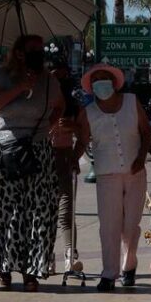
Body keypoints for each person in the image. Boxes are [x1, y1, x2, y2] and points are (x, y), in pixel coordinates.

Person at [0, 35, 64, 292]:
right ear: (19, 52)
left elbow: (59, 106)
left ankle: (30, 270)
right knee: (1, 210)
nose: (38, 53)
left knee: (37, 213)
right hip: (6, 150)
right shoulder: (2, 74)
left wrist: (47, 127)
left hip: (37, 150)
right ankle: (2, 267)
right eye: (33, 49)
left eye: (40, 49)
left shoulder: (49, 79)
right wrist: (21, 86)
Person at [75, 64, 151, 292]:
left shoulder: (131, 101)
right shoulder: (88, 113)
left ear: (114, 82)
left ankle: (129, 266)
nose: (101, 83)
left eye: (104, 78)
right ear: (91, 87)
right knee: (109, 226)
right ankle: (109, 273)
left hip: (135, 172)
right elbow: (81, 141)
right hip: (107, 175)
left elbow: (146, 132)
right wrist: (71, 160)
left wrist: (141, 157)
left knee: (130, 225)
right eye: (96, 79)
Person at [49, 56, 84, 274]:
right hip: (42, 159)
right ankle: (46, 256)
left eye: (62, 76)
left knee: (65, 210)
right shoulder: (39, 101)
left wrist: (74, 128)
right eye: (54, 76)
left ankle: (70, 255)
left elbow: (84, 135)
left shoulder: (74, 106)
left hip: (63, 157)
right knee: (44, 211)